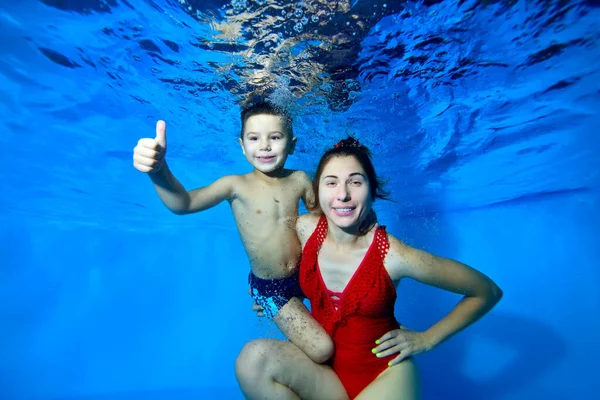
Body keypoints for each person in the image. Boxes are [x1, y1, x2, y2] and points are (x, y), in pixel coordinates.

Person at [235, 137, 503, 400]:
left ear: (372, 191)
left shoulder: (394, 255)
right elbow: (295, 285)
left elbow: (487, 291)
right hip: (324, 373)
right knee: (253, 361)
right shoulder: (305, 230)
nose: (342, 194)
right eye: (331, 183)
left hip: (383, 375)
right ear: (318, 191)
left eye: (355, 181)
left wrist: (428, 338)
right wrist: (275, 302)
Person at [132, 101, 334, 364]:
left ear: (292, 144)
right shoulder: (235, 185)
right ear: (241, 145)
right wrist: (159, 172)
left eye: (275, 137)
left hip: (307, 274)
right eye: (254, 138)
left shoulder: (300, 179)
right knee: (321, 350)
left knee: (340, 328)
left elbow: (321, 226)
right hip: (270, 289)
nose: (264, 146)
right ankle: (279, 369)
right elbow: (184, 204)